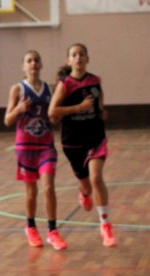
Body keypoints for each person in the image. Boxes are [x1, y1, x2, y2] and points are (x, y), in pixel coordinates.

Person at [49, 43, 116, 248]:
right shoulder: (65, 84)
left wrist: (101, 111)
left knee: (96, 178)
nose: (78, 57)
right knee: (86, 184)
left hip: (95, 137)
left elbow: (99, 103)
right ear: (69, 61)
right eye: (74, 55)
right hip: (73, 141)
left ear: (87, 58)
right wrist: (79, 108)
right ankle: (84, 192)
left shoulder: (95, 81)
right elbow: (52, 113)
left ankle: (105, 225)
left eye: (82, 54)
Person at [4, 51, 67, 250]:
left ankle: (52, 231)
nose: (33, 63)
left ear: (41, 64)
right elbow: (7, 120)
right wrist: (19, 109)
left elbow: (54, 117)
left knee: (48, 188)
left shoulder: (50, 88)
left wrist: (57, 117)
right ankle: (31, 227)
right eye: (29, 60)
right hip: (25, 147)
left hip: (46, 146)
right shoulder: (18, 89)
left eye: (36, 60)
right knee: (31, 192)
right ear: (23, 66)